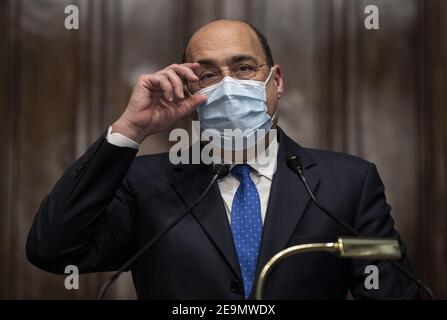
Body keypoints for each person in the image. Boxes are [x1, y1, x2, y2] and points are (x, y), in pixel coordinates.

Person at [26, 19, 418, 299]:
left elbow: (389, 291)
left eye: (244, 67)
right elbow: (53, 251)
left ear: (276, 81)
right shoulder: (145, 184)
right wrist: (130, 128)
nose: (229, 85)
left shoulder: (348, 182)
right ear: (188, 89)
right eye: (209, 75)